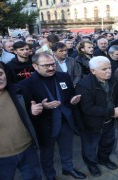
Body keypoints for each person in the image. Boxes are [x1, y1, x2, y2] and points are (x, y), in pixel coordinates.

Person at [19, 52, 86, 180]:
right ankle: (50, 175)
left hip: (66, 121)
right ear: (35, 66)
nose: (50, 68)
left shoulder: (64, 76)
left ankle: (68, 168)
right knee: (47, 154)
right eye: (46, 65)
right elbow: (25, 111)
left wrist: (73, 100)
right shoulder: (25, 84)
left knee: (67, 148)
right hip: (45, 126)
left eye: (52, 64)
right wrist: (42, 107)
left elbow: (70, 94)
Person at [76, 56, 118, 177]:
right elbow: (87, 108)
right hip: (92, 124)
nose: (109, 71)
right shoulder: (84, 85)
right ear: (93, 71)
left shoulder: (112, 80)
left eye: (109, 68)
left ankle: (104, 159)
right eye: (104, 69)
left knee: (108, 142)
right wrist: (112, 112)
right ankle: (92, 164)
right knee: (90, 146)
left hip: (109, 121)